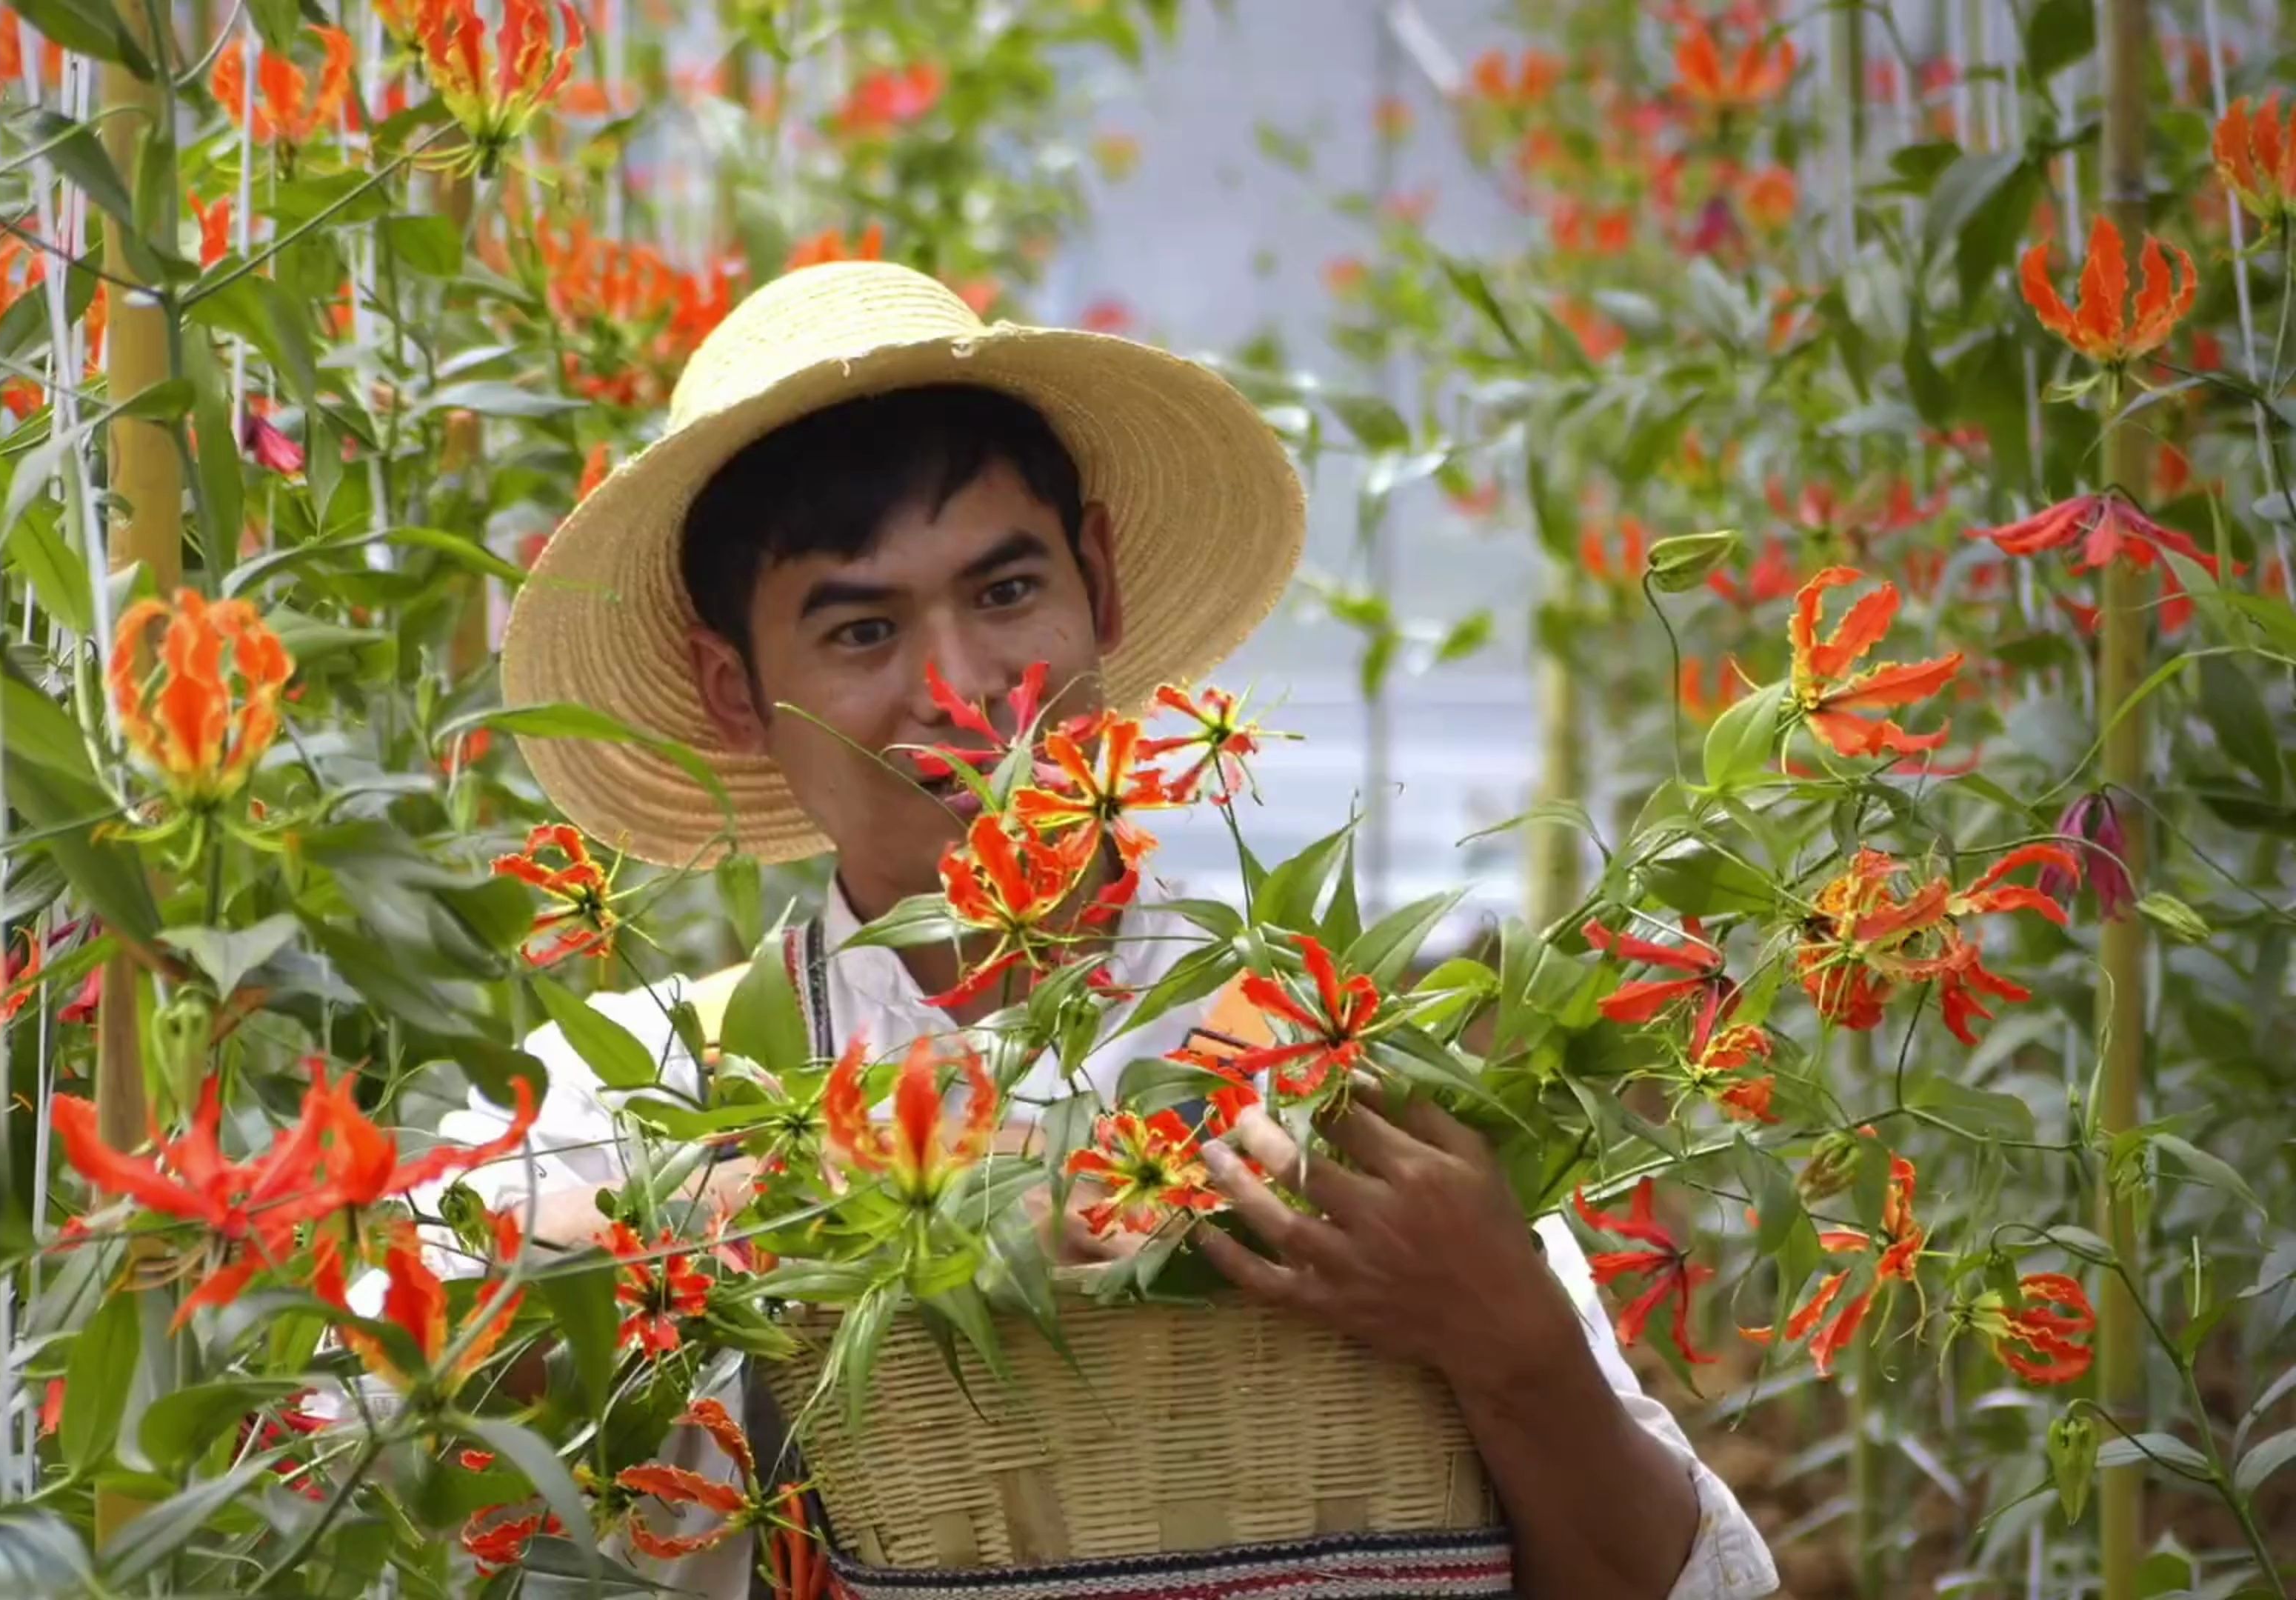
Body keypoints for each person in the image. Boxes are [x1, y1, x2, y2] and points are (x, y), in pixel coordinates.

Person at [438, 261, 1780, 1599]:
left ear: (1101, 587)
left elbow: (1688, 1584)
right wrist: (814, 1205)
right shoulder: (670, 1088)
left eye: (1007, 596)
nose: (959, 690)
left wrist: (1508, 1332)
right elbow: (354, 1379)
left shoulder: (1324, 1049)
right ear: (736, 692)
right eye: (859, 628)